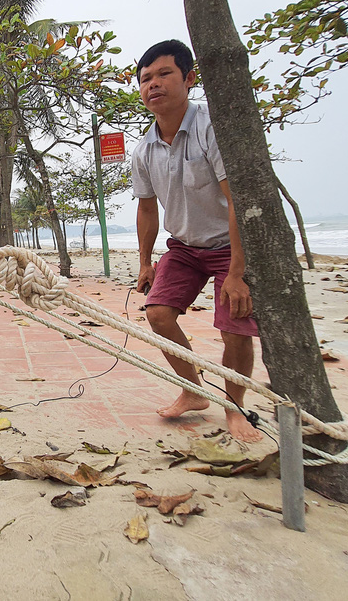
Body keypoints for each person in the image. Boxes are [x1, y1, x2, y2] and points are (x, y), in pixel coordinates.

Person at [131, 39, 263, 442]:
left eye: (164, 74)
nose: (153, 84)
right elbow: (148, 209)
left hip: (230, 247)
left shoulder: (212, 129)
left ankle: (236, 408)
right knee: (157, 315)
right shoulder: (143, 149)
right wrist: (145, 262)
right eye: (145, 78)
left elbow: (236, 198)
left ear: (188, 79)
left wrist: (237, 273)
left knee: (235, 329)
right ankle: (193, 390)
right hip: (185, 248)